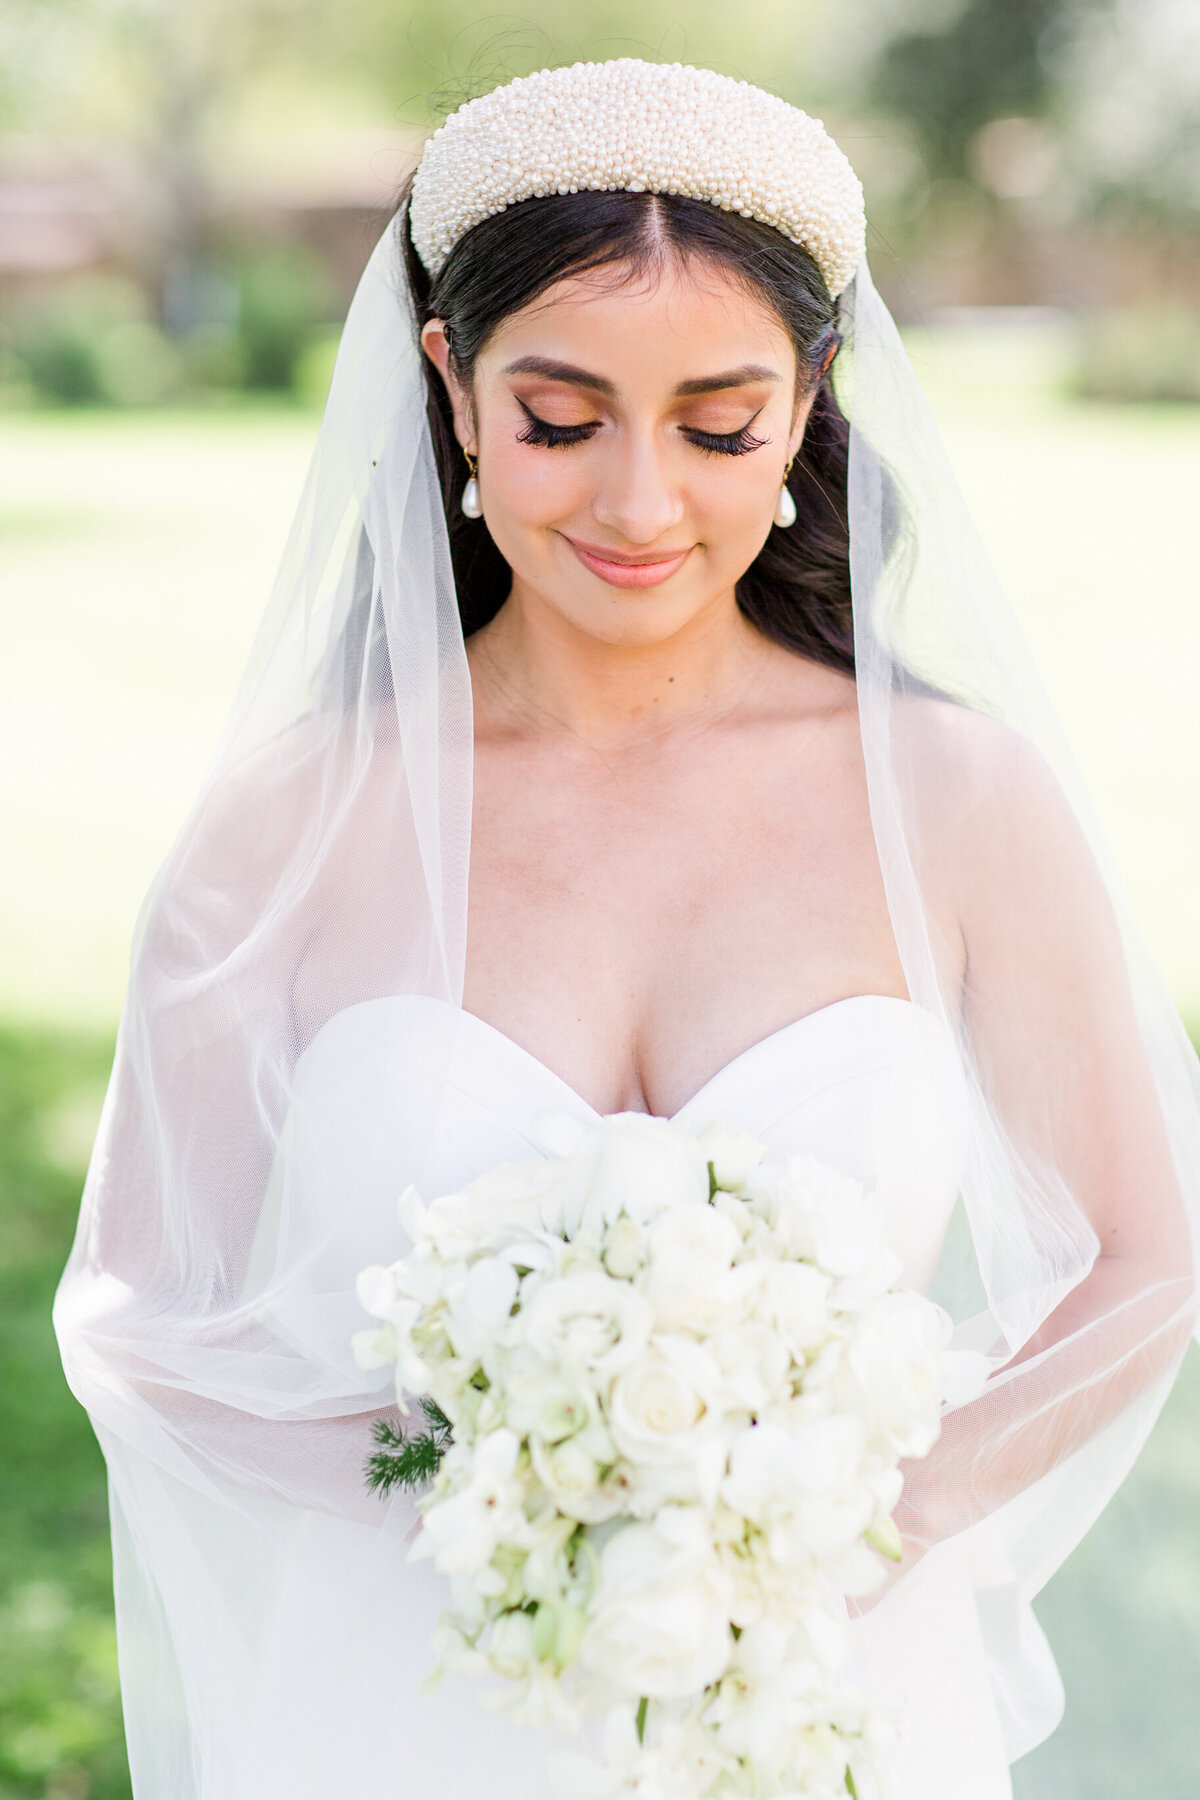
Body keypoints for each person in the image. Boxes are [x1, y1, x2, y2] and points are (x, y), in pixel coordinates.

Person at [53, 58, 1200, 1800]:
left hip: (832, 1688)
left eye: (721, 424)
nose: (641, 505)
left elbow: (1142, 1262)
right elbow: (142, 1316)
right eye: (563, 420)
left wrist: (866, 1511)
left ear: (812, 398)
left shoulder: (958, 800)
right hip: (406, 1696)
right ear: (449, 388)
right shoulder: (288, 826)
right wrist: (476, 1467)